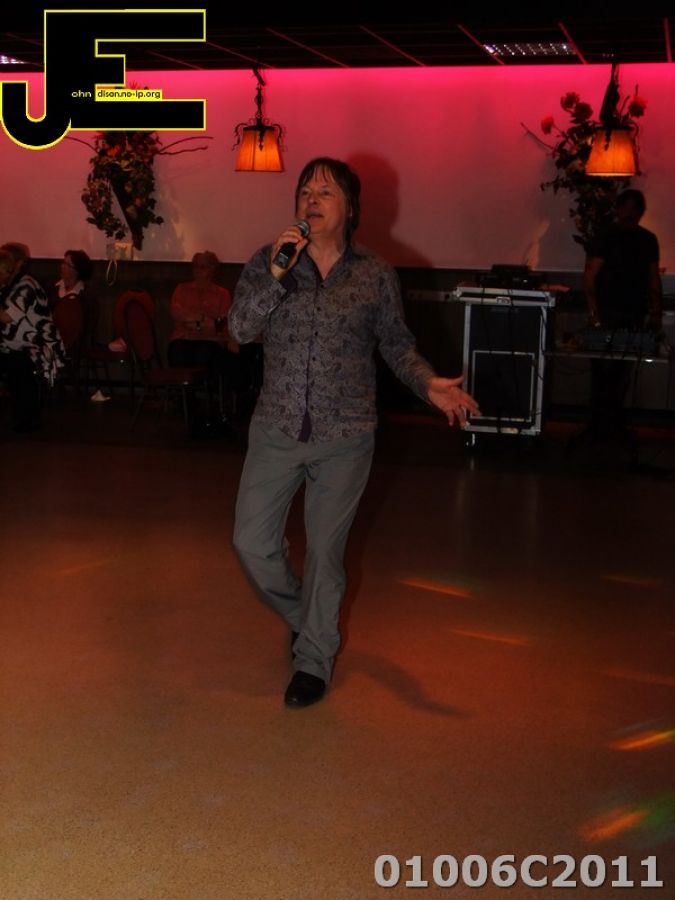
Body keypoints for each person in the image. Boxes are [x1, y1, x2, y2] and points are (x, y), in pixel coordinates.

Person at [228, 157, 479, 709]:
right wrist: (275, 275)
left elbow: (395, 343)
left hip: (346, 434)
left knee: (326, 552)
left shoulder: (374, 274)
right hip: (277, 428)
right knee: (251, 542)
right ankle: (305, 616)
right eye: (305, 191)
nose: (311, 200)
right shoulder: (270, 261)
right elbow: (241, 328)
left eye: (325, 191)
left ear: (350, 208)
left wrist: (428, 383)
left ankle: (314, 660)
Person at [583, 189, 662, 439]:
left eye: (634, 209)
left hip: (632, 311)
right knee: (603, 371)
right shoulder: (606, 236)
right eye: (626, 208)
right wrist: (594, 313)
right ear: (618, 209)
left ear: (640, 212)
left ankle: (612, 423)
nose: (630, 213)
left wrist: (656, 312)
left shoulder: (647, 240)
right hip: (607, 311)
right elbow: (590, 276)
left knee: (622, 371)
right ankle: (599, 423)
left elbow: (653, 278)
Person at [0, 243, 65, 432]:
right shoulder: (10, 284)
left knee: (16, 362)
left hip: (38, 346)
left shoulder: (26, 285)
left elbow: (7, 317)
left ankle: (26, 418)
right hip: (16, 345)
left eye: (7, 262)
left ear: (19, 263)